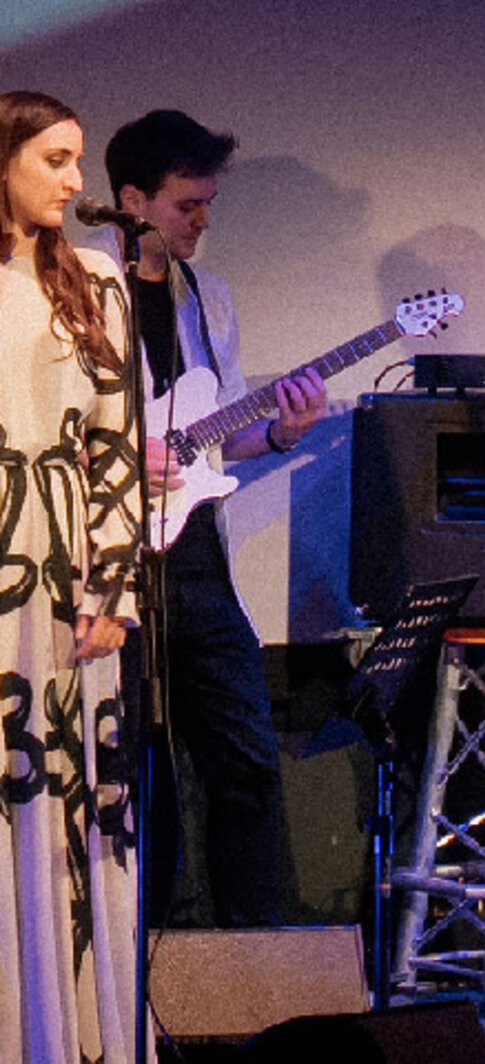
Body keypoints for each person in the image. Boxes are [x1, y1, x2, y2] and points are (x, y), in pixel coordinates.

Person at [82, 110, 326, 928]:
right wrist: (119, 458)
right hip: (110, 565)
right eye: (187, 205)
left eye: (207, 204)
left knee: (248, 762)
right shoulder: (78, 287)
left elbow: (211, 442)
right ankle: (136, 963)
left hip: (198, 564)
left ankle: (252, 954)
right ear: (133, 201)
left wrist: (281, 433)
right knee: (130, 777)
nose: (202, 221)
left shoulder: (207, 296)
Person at [0, 91, 142, 1062]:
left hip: (65, 578)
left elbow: (116, 447)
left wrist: (115, 590)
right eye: (54, 159)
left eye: (78, 159)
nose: (75, 179)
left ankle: (69, 1037)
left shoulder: (95, 279)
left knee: (62, 810)